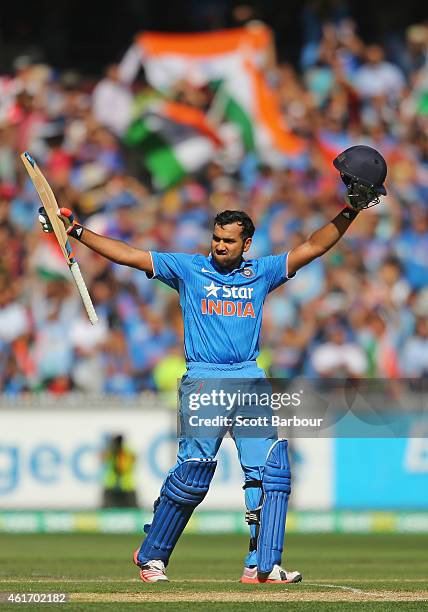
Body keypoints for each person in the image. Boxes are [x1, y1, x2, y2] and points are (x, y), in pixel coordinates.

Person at [38, 145, 387, 584]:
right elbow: (129, 254)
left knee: (270, 471)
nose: (220, 246)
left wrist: (349, 212)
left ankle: (261, 565)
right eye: (216, 239)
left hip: (250, 379)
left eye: (229, 241)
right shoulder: (188, 269)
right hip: (205, 380)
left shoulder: (260, 272)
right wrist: (77, 232)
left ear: (247, 243)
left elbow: (314, 246)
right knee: (194, 474)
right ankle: (152, 556)